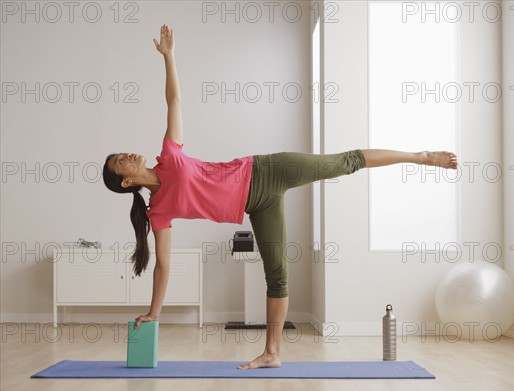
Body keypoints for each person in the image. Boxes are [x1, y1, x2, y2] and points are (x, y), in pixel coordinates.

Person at [102, 24, 458, 370]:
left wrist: (169, 56)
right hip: (257, 205)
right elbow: (163, 265)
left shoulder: (169, 154)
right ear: (125, 182)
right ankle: (272, 353)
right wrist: (154, 313)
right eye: (122, 162)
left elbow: (174, 100)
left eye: (123, 153)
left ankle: (420, 157)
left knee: (344, 162)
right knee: (278, 277)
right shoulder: (158, 212)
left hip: (268, 170)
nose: (128, 155)